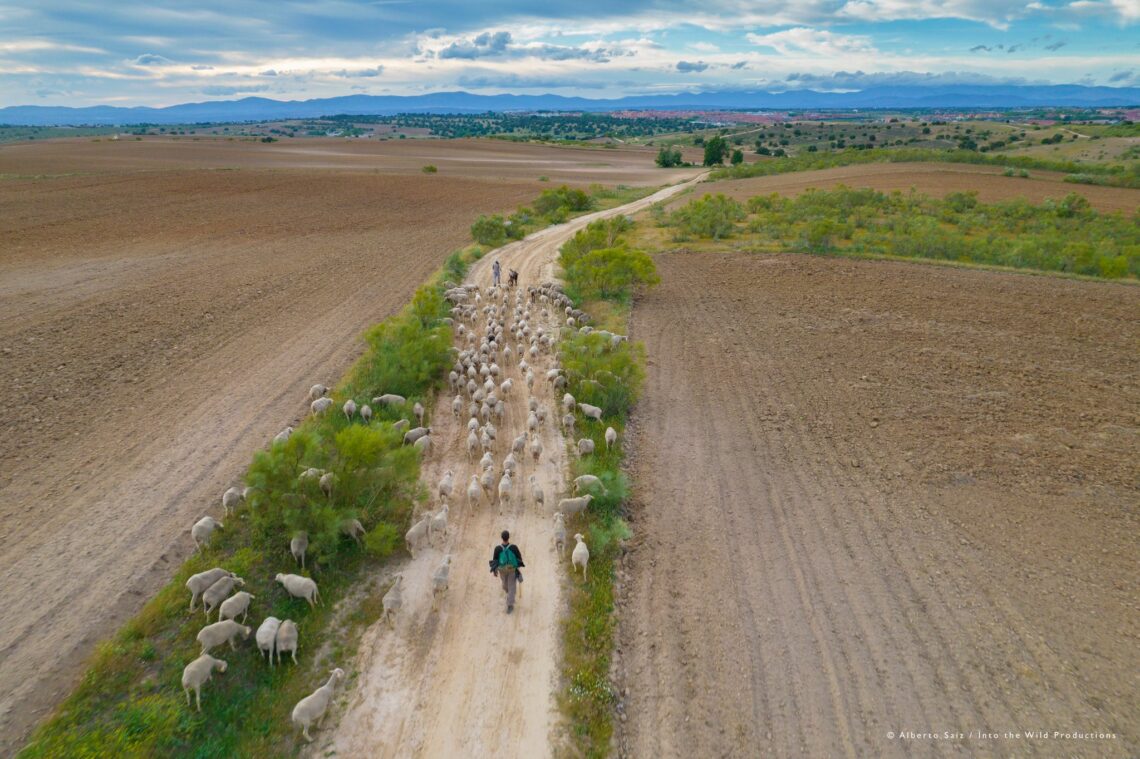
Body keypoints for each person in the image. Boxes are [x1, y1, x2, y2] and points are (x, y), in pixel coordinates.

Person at [490, 530, 524, 614]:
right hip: (511, 570)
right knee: (508, 587)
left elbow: (495, 560)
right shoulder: (514, 547)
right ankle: (510, 596)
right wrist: (518, 568)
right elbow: (519, 558)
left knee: (508, 587)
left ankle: (510, 604)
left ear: (502, 537)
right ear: (508, 537)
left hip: (503, 571)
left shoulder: (497, 548)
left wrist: (494, 571)